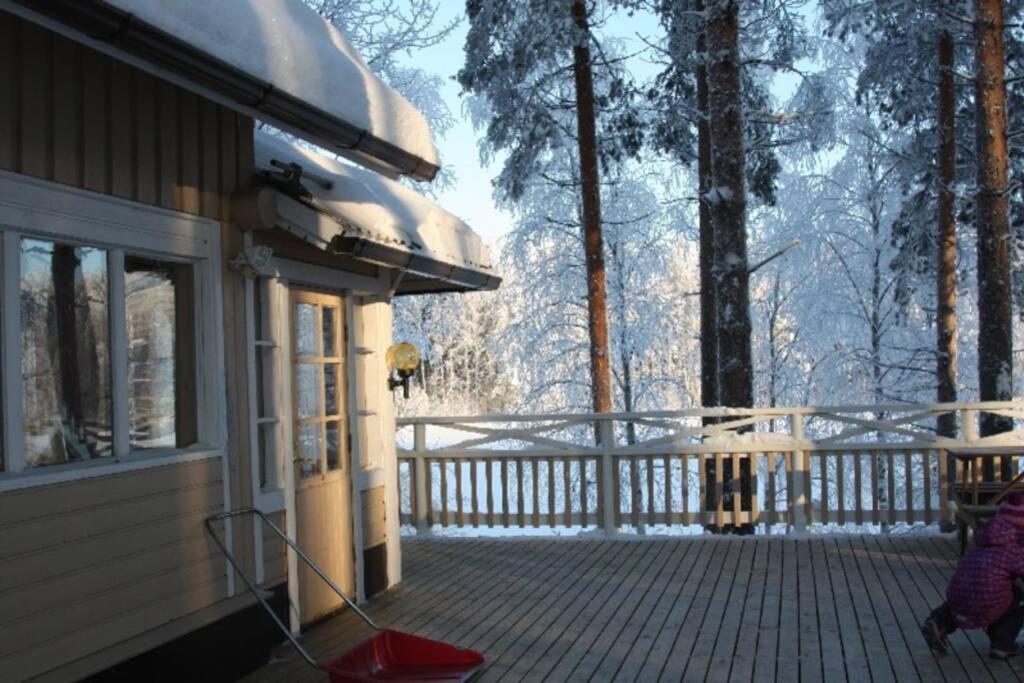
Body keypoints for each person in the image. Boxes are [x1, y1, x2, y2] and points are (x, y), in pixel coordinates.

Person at [922, 491, 1024, 659]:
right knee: (1018, 597)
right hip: (989, 599)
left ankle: (938, 622)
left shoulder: (987, 537)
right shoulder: (1016, 547)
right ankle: (1002, 640)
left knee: (963, 600)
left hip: (958, 594)